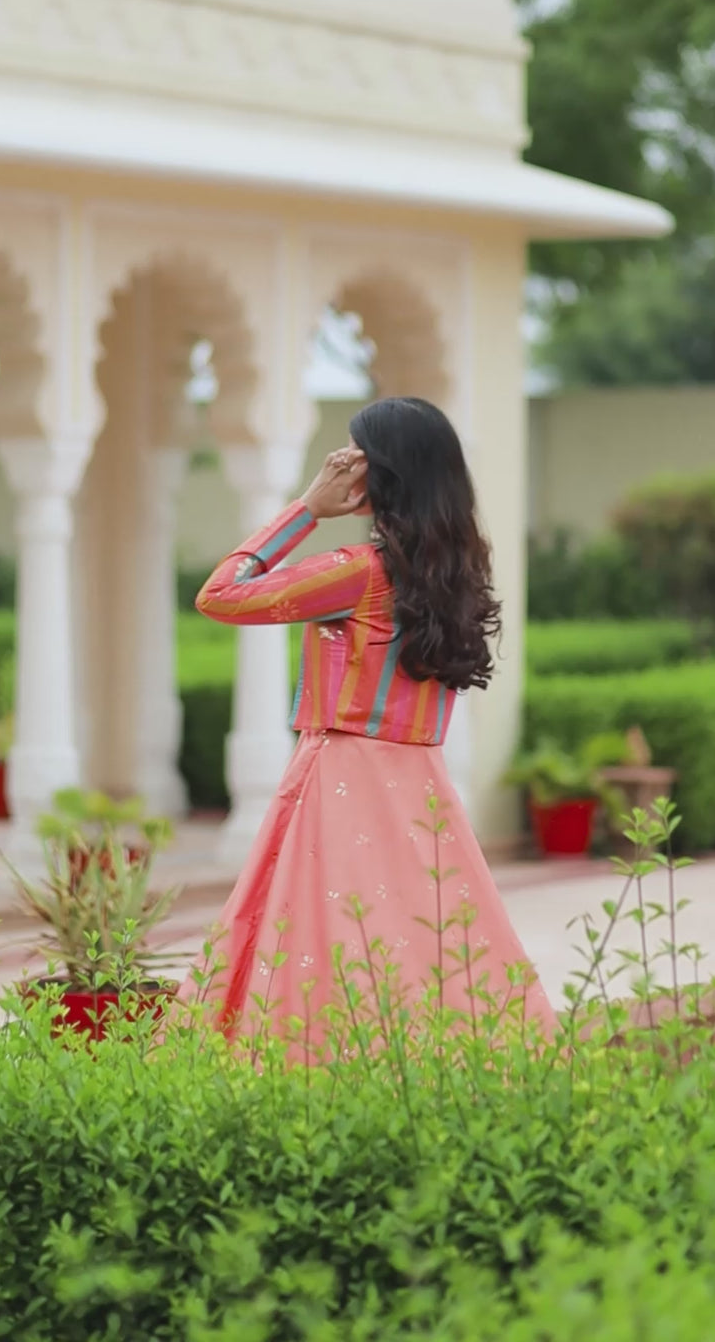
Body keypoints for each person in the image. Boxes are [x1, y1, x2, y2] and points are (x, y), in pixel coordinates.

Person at [177, 397, 555, 1048]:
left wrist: (305, 510)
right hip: (421, 788)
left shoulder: (357, 574)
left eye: (357, 459)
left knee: (322, 944)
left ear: (379, 478)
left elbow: (220, 595)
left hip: (341, 779)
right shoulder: (459, 572)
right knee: (419, 944)